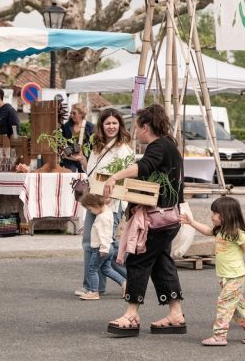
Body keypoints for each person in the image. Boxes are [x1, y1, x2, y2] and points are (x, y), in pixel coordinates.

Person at [103, 103, 186, 336]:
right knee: (161, 264)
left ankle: (131, 314)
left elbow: (143, 167)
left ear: (145, 126)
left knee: (138, 260)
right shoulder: (169, 145)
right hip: (170, 216)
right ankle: (175, 314)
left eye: (136, 127)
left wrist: (114, 177)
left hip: (158, 218)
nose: (135, 132)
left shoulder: (158, 145)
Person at [180, 197, 245, 346]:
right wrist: (191, 222)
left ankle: (219, 336)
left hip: (236, 277)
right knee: (238, 307)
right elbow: (207, 231)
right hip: (224, 277)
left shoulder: (238, 233)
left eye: (214, 213)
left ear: (225, 215)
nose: (211, 216)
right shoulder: (220, 230)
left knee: (224, 304)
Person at [73, 108, 133, 298]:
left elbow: (125, 179)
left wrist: (111, 198)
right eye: (108, 123)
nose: (111, 127)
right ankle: (93, 286)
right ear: (101, 125)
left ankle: (129, 280)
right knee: (91, 243)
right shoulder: (97, 147)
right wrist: (82, 159)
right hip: (94, 200)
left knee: (103, 246)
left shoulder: (124, 150)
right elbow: (92, 173)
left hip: (110, 204)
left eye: (115, 123)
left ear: (120, 125)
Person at [79, 193, 127, 300]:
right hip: (107, 247)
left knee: (93, 269)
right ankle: (124, 283)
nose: (90, 212)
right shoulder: (108, 212)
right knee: (106, 269)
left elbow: (104, 235)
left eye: (90, 209)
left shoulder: (102, 218)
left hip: (101, 249)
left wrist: (103, 248)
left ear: (96, 205)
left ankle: (94, 292)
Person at [61, 103, 94, 173]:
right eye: (71, 113)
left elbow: (93, 143)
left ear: (81, 114)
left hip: (84, 159)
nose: (71, 115)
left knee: (83, 179)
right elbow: (62, 140)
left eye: (74, 113)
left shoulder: (90, 127)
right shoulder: (66, 126)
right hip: (70, 159)